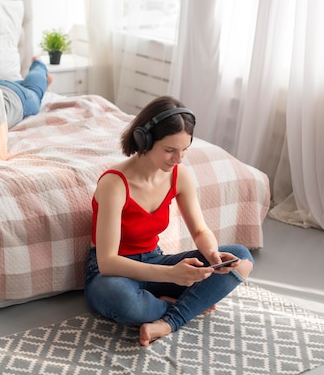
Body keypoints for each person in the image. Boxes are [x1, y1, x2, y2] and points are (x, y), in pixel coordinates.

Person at [84, 95, 254, 346]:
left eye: (184, 150)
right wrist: (171, 275)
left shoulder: (179, 176)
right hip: (112, 274)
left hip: (154, 259)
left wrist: (213, 255)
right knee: (126, 302)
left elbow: (199, 229)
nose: (179, 158)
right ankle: (179, 307)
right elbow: (108, 263)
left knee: (241, 258)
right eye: (170, 150)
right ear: (144, 140)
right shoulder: (114, 184)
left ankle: (166, 322)